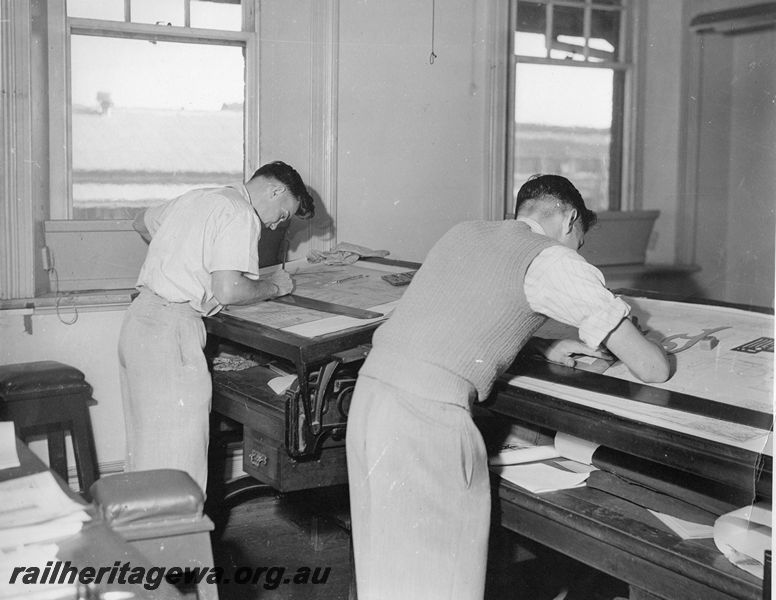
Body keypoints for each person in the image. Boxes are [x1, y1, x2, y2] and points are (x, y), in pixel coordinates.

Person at [345, 174, 670, 600]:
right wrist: (653, 345)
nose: (575, 252)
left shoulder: (465, 233)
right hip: (425, 422)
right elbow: (651, 368)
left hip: (371, 403)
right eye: (580, 242)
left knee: (387, 575)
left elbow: (461, 315)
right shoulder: (554, 258)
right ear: (570, 219)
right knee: (443, 582)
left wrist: (543, 345)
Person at [119, 161, 315, 493]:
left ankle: (143, 541)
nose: (276, 225)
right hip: (173, 331)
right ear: (275, 190)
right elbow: (228, 290)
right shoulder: (241, 213)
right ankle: (181, 542)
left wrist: (182, 257)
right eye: (283, 214)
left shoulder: (201, 197)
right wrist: (276, 287)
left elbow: (141, 221)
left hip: (138, 321)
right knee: (181, 473)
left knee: (146, 456)